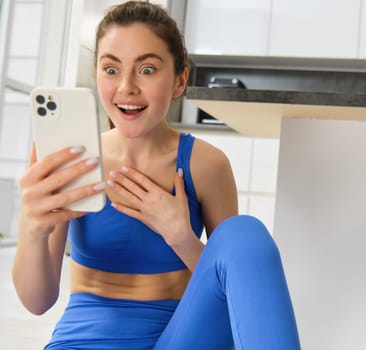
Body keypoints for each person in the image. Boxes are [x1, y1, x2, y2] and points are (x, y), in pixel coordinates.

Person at [12, 1, 301, 349]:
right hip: (85, 341)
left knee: (245, 235)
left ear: (179, 80)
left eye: (147, 69)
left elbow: (234, 288)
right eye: (111, 69)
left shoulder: (206, 165)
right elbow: (37, 301)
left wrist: (181, 236)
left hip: (181, 339)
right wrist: (32, 227)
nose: (127, 87)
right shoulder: (72, 160)